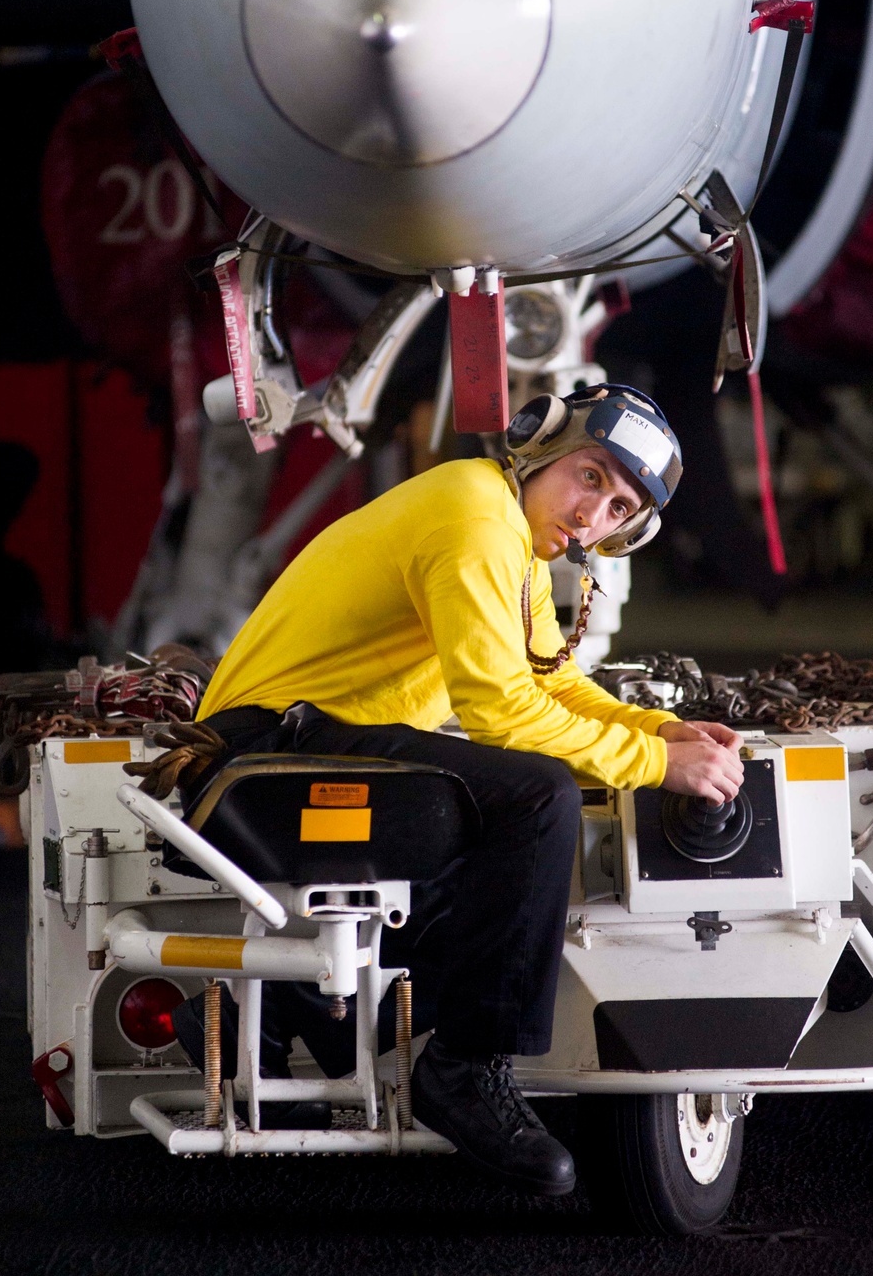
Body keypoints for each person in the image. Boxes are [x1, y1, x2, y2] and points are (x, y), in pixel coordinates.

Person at [164, 385, 744, 1195]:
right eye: (591, 477)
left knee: (491, 812)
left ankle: (296, 1001)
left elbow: (554, 684)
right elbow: (502, 712)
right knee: (532, 797)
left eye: (619, 508)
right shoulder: (475, 517)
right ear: (535, 444)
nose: (594, 516)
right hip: (258, 765)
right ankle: (465, 1069)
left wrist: (658, 732)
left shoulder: (516, 541)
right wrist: (655, 768)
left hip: (304, 751)